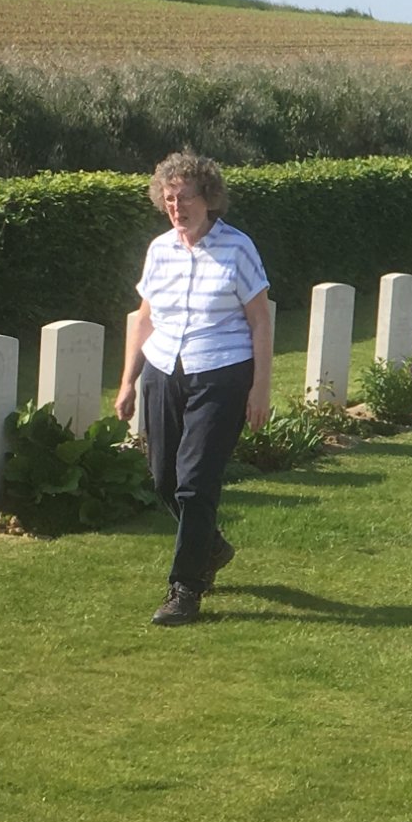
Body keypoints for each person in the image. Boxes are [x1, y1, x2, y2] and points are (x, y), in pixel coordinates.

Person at [113, 153, 272, 625]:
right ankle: (212, 546)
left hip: (221, 370)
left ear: (209, 199)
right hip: (165, 368)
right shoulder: (159, 248)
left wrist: (261, 386)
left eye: (185, 197)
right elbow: (143, 318)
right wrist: (127, 381)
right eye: (168, 197)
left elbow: (260, 320)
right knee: (164, 478)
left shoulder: (238, 248)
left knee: (196, 481)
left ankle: (185, 589)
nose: (176, 206)